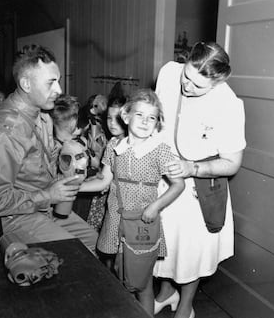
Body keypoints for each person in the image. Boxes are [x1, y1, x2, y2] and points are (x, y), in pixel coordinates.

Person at [0, 44, 98, 252]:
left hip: (41, 205)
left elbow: (41, 160)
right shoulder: (3, 132)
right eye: (51, 83)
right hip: (9, 217)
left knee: (94, 242)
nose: (59, 90)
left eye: (58, 81)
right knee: (77, 255)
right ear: (26, 84)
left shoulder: (42, 114)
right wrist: (48, 196)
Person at [153, 41, 246, 318]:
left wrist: (192, 168)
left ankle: (185, 306)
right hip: (162, 177)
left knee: (191, 252)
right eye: (188, 76)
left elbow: (232, 163)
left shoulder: (228, 104)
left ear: (218, 82)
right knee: (163, 245)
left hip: (197, 189)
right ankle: (166, 294)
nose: (187, 87)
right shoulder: (170, 72)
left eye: (198, 86)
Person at [79, 88, 185, 315]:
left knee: (141, 284)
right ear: (126, 117)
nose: (146, 122)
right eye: (140, 115)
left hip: (141, 223)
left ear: (158, 123)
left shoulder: (160, 151)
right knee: (119, 279)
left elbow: (179, 184)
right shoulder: (114, 147)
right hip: (115, 219)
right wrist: (75, 187)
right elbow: (103, 181)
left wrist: (155, 207)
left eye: (152, 117)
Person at [86, 95, 127, 234]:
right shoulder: (112, 143)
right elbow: (103, 180)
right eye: (109, 118)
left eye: (118, 119)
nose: (112, 123)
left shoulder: (136, 145)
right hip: (112, 202)